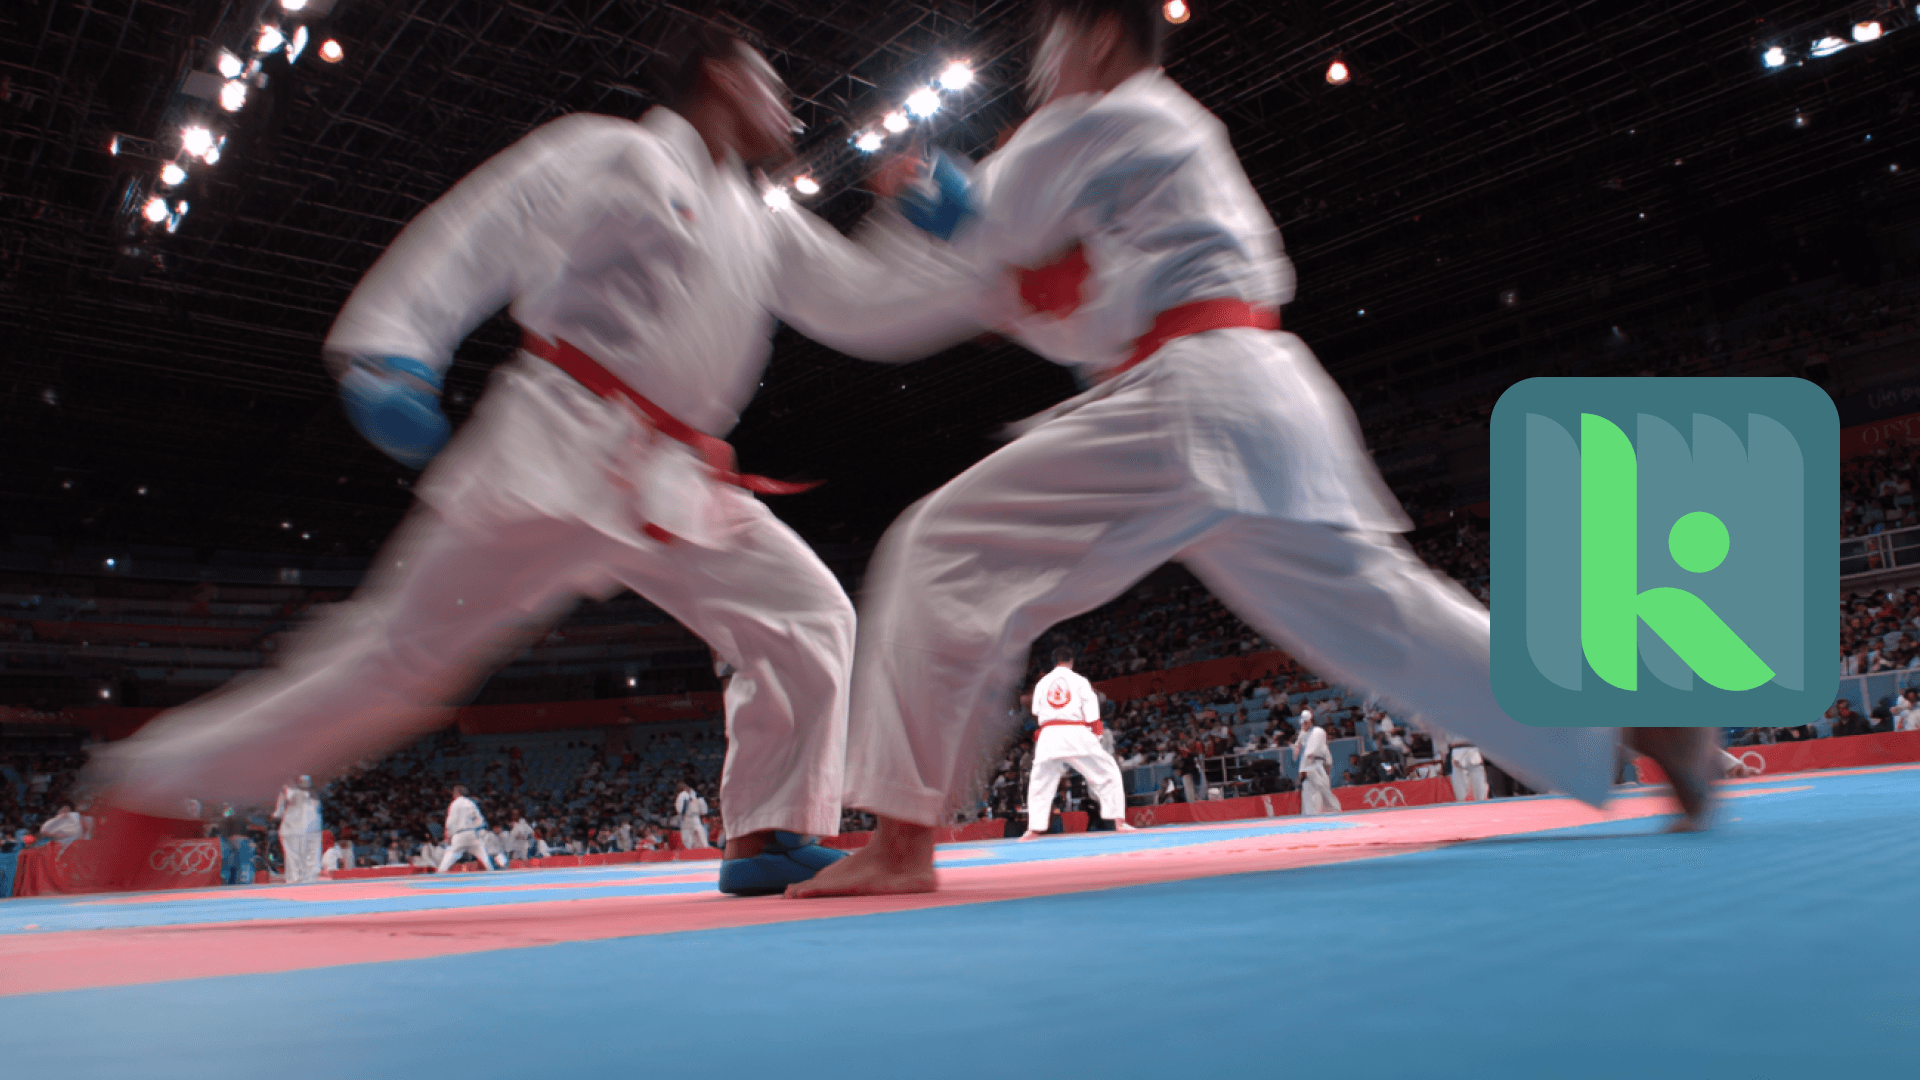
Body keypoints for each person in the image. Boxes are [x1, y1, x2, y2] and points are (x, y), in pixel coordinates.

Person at [792, 0, 1714, 899]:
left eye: (1051, 39)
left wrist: (917, 186)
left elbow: (986, 221)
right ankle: (1635, 720)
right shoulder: (1165, 136)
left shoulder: (1102, 115)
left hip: (1190, 396)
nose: (1041, 69)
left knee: (943, 544)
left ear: (1100, 33)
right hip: (1257, 398)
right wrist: (1014, 280)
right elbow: (1060, 292)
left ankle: (902, 840)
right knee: (1387, 620)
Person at [82, 26, 1008, 896]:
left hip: (676, 484)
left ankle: (766, 834)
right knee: (398, 665)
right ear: (722, 76)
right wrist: (397, 346)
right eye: (770, 82)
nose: (789, 107)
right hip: (560, 446)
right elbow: (491, 222)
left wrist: (944, 241)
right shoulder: (618, 153)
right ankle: (150, 780)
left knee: (805, 614)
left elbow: (860, 304)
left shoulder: (760, 221)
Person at [1020, 647, 1138, 839]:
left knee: (1040, 781)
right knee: (1108, 771)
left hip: (1049, 734)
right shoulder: (1080, 681)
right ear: (1071, 661)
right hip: (1075, 731)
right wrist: (1096, 733)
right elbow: (1092, 712)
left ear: (1054, 662)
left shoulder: (1042, 683)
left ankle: (1033, 828)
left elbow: (1036, 711)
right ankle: (1119, 821)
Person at [272, 776, 322, 885]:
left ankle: (296, 879)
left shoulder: (292, 793)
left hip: (298, 830)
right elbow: (278, 812)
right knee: (303, 856)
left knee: (295, 856)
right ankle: (301, 879)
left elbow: (278, 813)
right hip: (301, 830)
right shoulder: (311, 797)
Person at [435, 785, 495, 873]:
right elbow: (480, 820)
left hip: (459, 835)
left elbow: (450, 822)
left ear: (457, 793)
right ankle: (491, 870)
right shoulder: (469, 803)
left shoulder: (453, 804)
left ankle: (440, 872)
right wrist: (476, 828)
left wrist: (448, 836)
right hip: (471, 833)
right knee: (482, 853)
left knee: (451, 854)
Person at [1295, 711, 1342, 816]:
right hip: (1311, 767)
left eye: (1305, 723)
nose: (1303, 725)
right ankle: (1310, 815)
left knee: (1323, 791)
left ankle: (1335, 811)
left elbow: (1310, 753)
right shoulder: (1304, 734)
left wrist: (1302, 770)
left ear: (1310, 721)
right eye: (1302, 723)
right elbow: (1301, 748)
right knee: (1309, 792)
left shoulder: (1317, 732)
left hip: (1317, 766)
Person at [674, 782, 710, 851]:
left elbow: (704, 811)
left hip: (692, 818)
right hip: (689, 818)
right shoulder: (683, 796)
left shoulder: (695, 797)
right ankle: (695, 849)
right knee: (691, 838)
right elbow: (679, 810)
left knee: (698, 836)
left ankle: (704, 848)